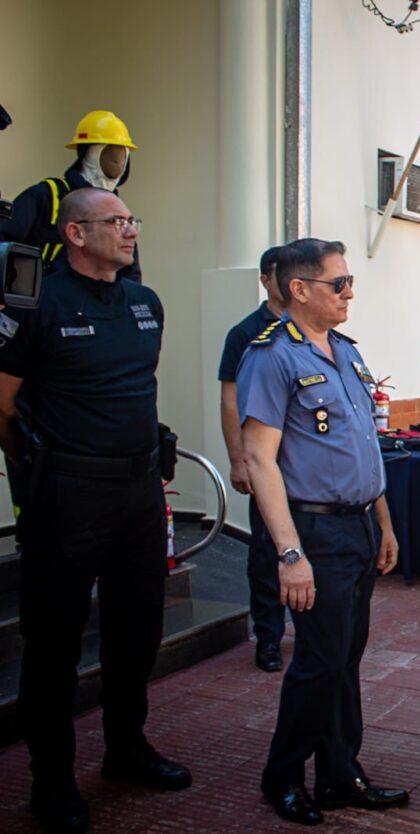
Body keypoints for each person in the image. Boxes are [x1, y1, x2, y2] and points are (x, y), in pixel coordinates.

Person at [0, 188, 189, 834]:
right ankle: (50, 783)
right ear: (77, 234)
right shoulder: (36, 303)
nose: (131, 230)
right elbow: (3, 403)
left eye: (133, 219)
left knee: (136, 633)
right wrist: (34, 474)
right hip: (68, 497)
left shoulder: (145, 303)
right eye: (117, 222)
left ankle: (126, 750)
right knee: (52, 647)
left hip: (138, 493)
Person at [237, 238, 408, 826]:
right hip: (314, 531)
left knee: (345, 658)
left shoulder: (345, 352)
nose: (349, 293)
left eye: (349, 281)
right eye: (339, 283)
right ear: (299, 290)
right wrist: (290, 553)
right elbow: (260, 461)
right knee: (318, 661)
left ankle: (339, 773)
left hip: (358, 527)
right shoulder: (271, 356)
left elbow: (366, 446)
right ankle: (282, 776)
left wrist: (383, 525)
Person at [218, 245, 288, 672]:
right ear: (265, 279)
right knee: (266, 555)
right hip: (266, 464)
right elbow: (231, 401)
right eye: (282, 273)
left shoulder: (313, 327)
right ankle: (268, 638)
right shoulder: (245, 333)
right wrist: (237, 459)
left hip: (305, 468)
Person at [0, 110, 142, 283]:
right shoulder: (45, 197)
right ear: (86, 153)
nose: (117, 162)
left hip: (97, 306)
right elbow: (4, 245)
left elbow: (131, 276)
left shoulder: (121, 217)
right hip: (44, 305)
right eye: (111, 153)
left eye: (122, 156)